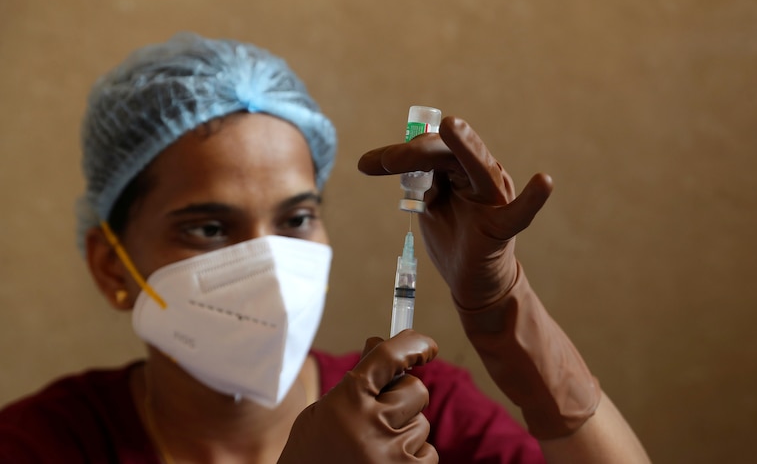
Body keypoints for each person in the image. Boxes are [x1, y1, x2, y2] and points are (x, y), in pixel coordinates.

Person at [0, 32, 649, 463]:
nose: (272, 266)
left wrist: (507, 317)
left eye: (297, 217)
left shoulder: (422, 410)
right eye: (209, 228)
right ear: (112, 263)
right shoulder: (47, 442)